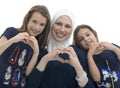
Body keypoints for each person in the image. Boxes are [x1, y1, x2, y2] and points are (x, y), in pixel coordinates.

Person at [26, 9, 96, 88]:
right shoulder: (38, 50)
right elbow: (29, 85)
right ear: (52, 24)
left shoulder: (77, 53)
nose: (62, 29)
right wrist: (44, 60)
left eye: (67, 26)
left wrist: (78, 67)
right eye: (59, 24)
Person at [0, 5, 51, 88]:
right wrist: (13, 40)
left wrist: (36, 53)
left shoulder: (39, 48)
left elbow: (27, 73)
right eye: (34, 21)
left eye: (42, 24)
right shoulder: (12, 32)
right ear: (28, 19)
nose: (37, 27)